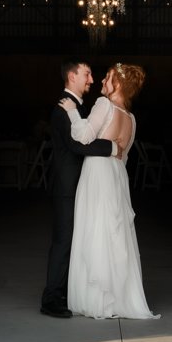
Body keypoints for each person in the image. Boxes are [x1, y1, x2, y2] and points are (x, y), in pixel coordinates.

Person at [58, 62, 158, 320]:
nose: (102, 80)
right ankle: (118, 298)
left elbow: (83, 136)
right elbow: (123, 157)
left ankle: (97, 300)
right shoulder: (132, 120)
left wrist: (71, 113)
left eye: (108, 77)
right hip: (117, 177)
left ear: (119, 85)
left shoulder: (104, 105)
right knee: (114, 234)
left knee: (94, 230)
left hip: (97, 174)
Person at [41, 60, 117, 318]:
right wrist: (112, 148)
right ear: (72, 76)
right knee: (63, 241)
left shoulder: (76, 106)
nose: (92, 80)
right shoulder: (64, 107)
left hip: (77, 184)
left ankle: (63, 292)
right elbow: (78, 145)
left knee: (72, 240)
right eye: (87, 74)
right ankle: (50, 299)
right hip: (66, 185)